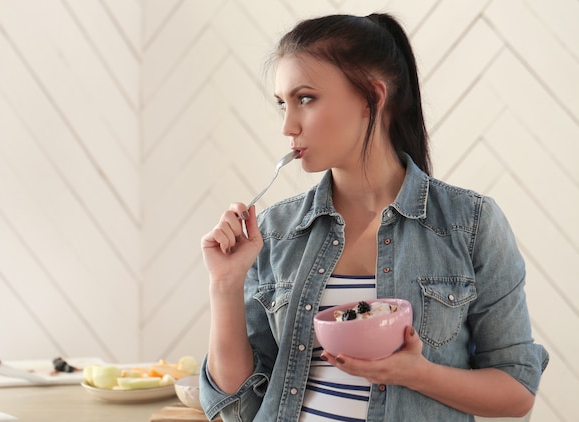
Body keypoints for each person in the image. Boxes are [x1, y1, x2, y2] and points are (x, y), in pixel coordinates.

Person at [199, 12, 548, 422]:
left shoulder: (469, 224)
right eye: (282, 104)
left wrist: (418, 375)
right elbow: (239, 403)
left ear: (371, 98)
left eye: (305, 98)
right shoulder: (275, 231)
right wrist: (224, 284)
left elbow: (517, 391)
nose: (288, 126)